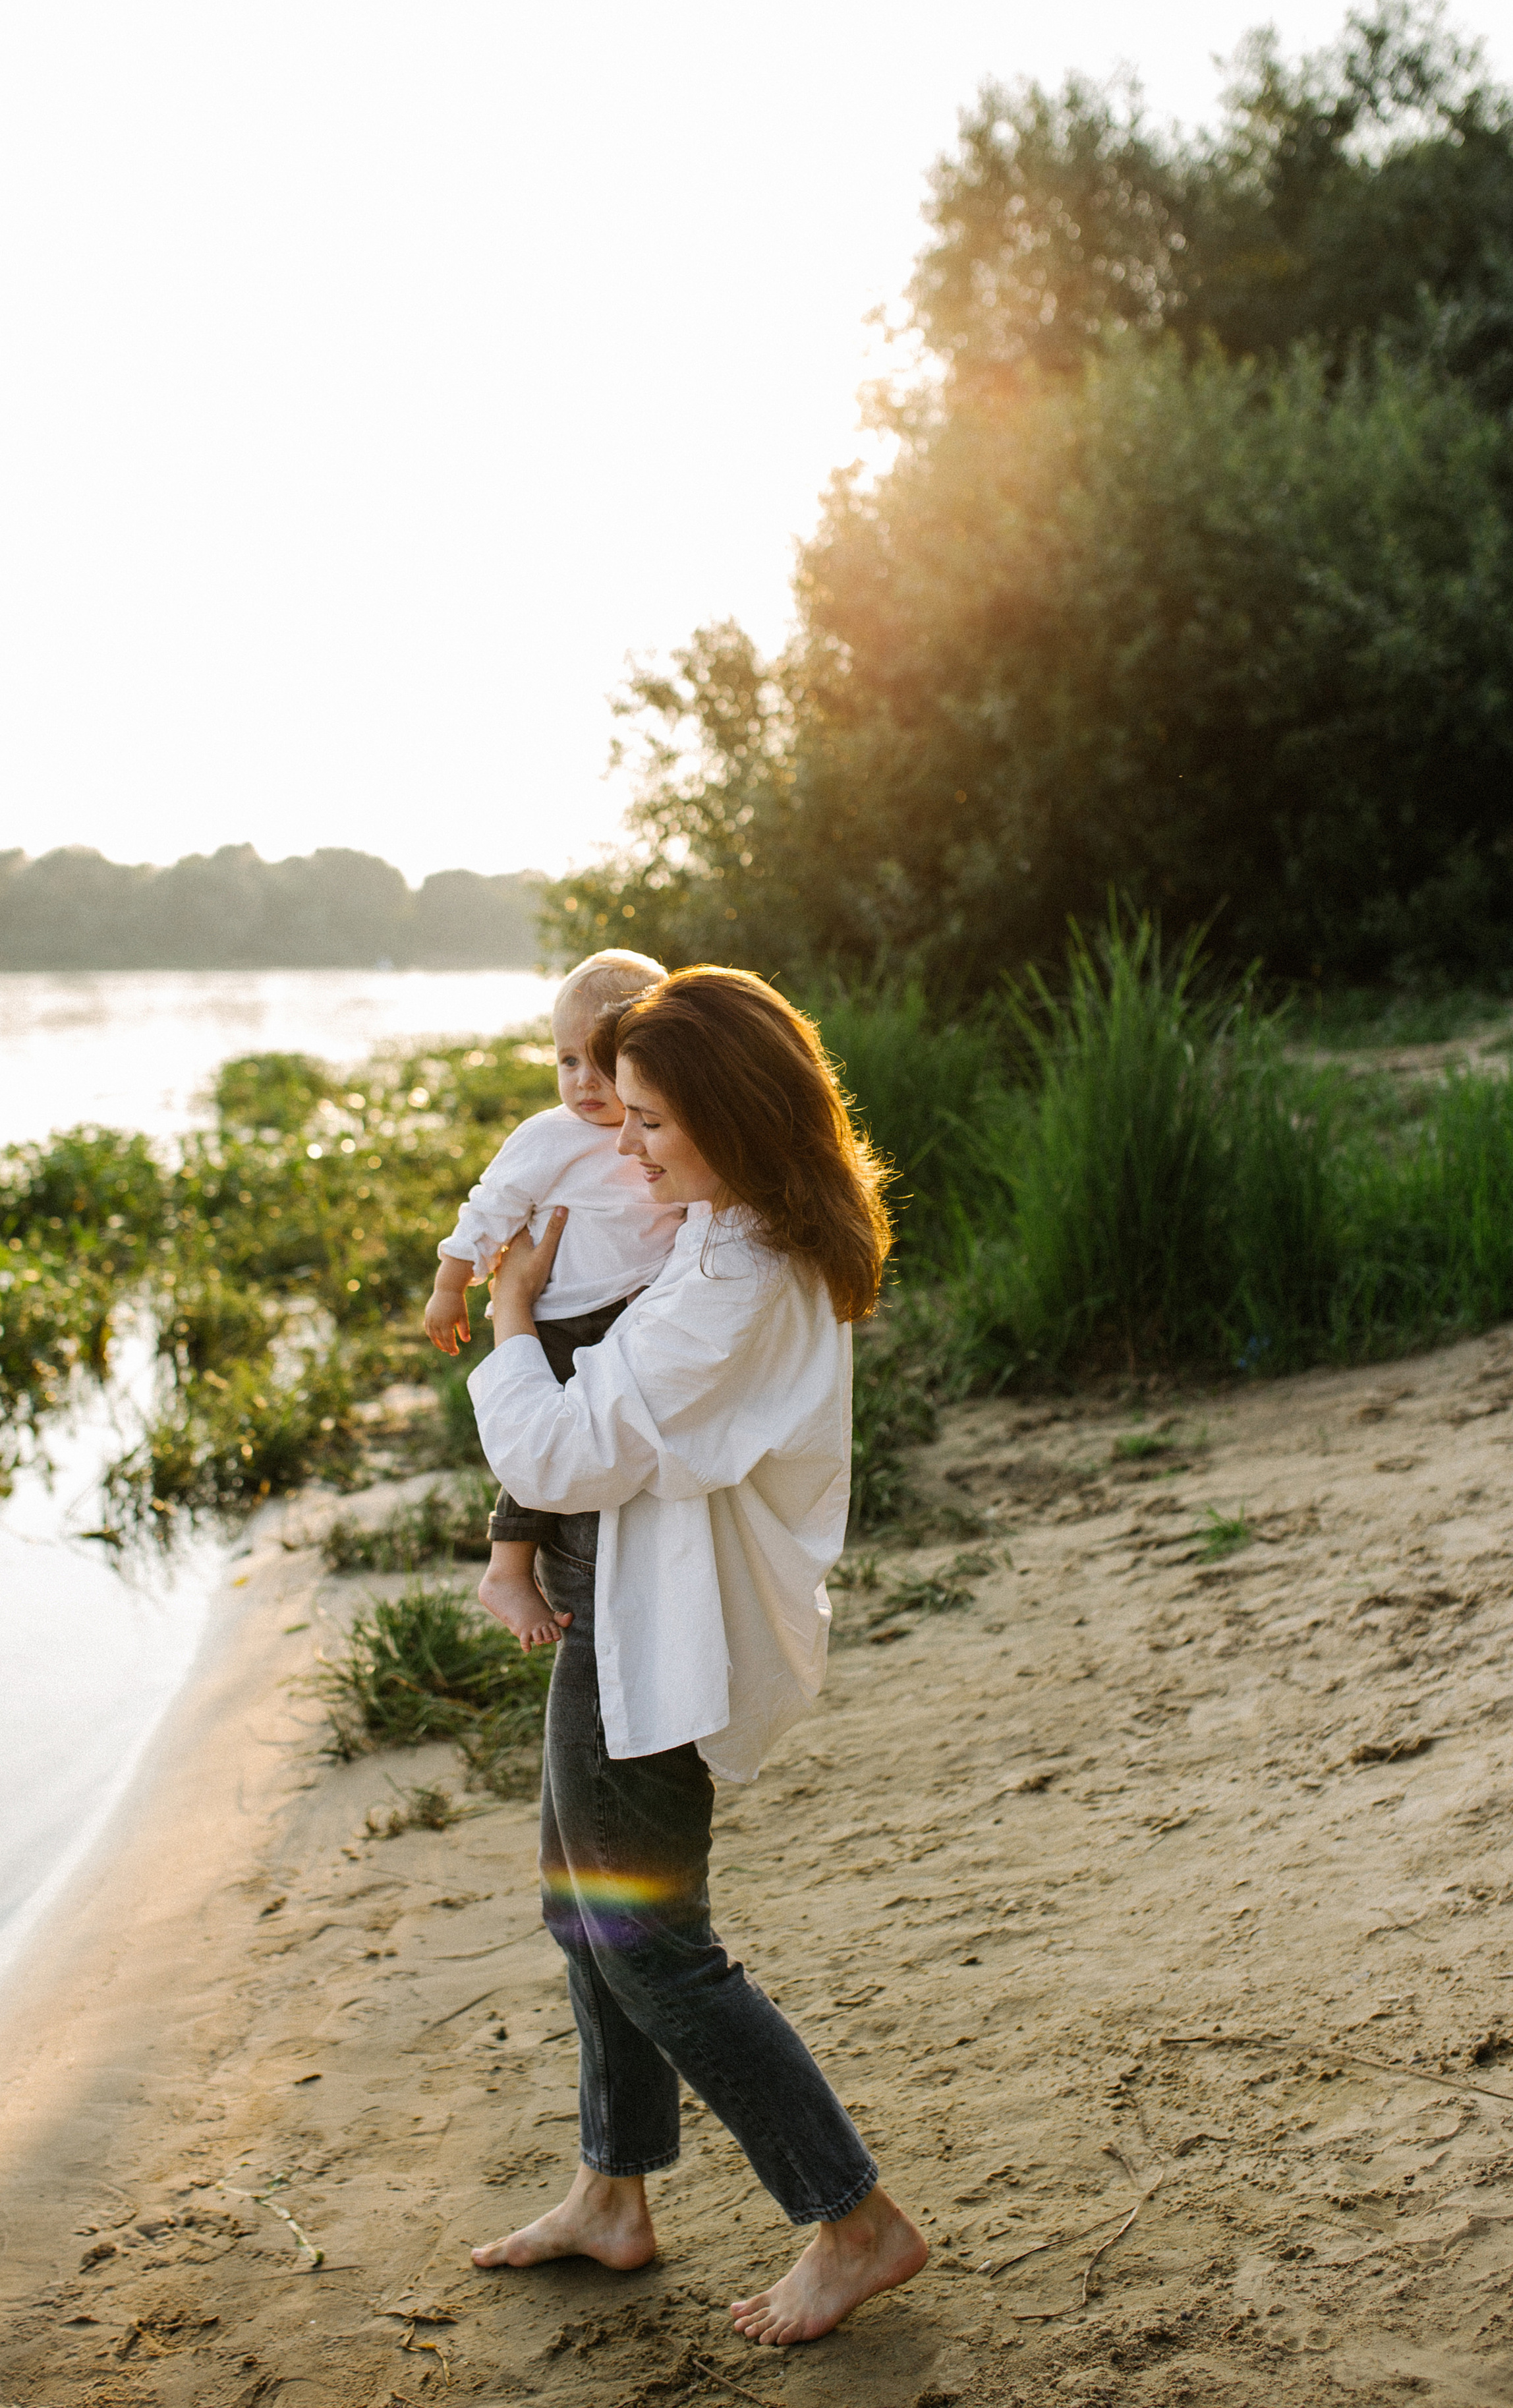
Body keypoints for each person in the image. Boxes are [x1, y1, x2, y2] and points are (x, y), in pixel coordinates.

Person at [463, 966, 928, 2348]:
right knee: (584, 1906)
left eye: (655, 1123)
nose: (629, 1146)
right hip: (618, 1605)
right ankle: (614, 2193)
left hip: (655, 1628)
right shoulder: (728, 1235)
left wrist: (506, 1317)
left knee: (652, 1942)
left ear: (730, 1115)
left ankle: (852, 2220)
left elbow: (557, 1447)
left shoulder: (731, 1279)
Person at [423, 948, 681, 1649]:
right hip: (561, 1314)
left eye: (603, 1063)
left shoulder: (662, 1127)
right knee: (544, 1440)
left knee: (611, 1435)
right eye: (568, 1062)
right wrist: (453, 1285)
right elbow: (490, 1210)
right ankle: (507, 1567)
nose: (584, 1083)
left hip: (635, 1315)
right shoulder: (547, 1137)